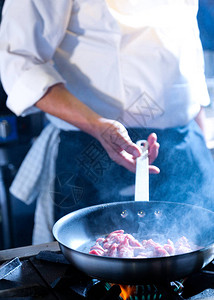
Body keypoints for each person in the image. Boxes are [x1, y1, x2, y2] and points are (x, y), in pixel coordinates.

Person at [0, 0, 213, 244]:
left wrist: (202, 147)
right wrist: (97, 125)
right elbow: (19, 61)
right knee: (91, 266)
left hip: (185, 144)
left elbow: (187, 50)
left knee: (198, 261)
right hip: (94, 144)